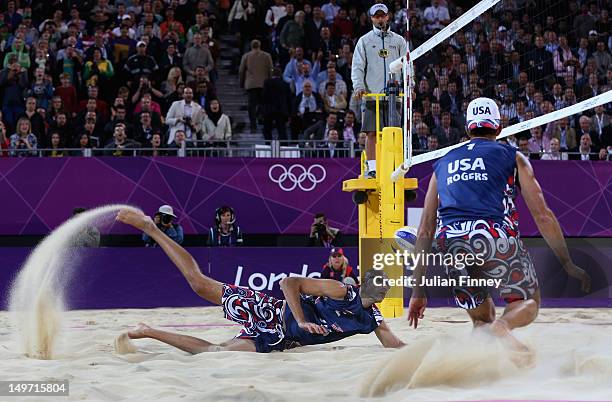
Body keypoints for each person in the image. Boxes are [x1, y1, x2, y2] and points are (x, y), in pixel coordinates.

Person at [408, 97, 591, 358]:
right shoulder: (512, 156)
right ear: (499, 128)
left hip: (452, 244)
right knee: (528, 302)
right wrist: (567, 262)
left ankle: (483, 365)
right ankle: (503, 327)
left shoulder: (443, 163)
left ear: (468, 129)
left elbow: (425, 230)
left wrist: (417, 290)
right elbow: (543, 216)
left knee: (481, 321)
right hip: (494, 236)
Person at [116, 208, 404, 353]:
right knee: (199, 284)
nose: (387, 285)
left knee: (214, 353)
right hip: (271, 310)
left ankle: (148, 331)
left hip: (280, 340)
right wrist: (302, 319)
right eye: (382, 280)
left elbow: (397, 347)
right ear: (367, 283)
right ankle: (152, 228)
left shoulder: (373, 319)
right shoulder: (342, 290)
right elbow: (288, 283)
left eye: (387, 283)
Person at [352, 4, 406, 178]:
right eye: (377, 16)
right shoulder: (364, 41)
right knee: (371, 133)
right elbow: (358, 67)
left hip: (393, 96)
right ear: (372, 19)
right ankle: (372, 168)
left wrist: (409, 87)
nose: (380, 19)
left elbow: (408, 67)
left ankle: (393, 167)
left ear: (388, 17)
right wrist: (359, 87)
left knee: (394, 133)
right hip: (371, 95)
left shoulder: (399, 41)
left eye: (383, 16)